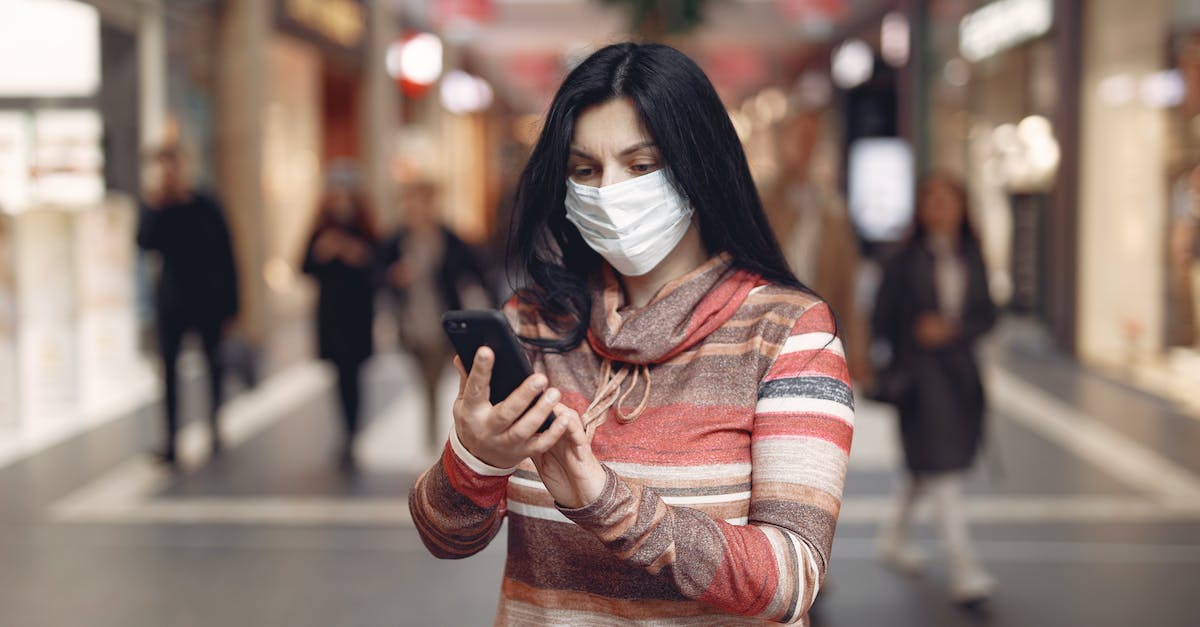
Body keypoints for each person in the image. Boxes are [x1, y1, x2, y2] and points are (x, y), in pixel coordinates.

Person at [408, 42, 854, 625]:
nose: (609, 191)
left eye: (642, 166)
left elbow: (790, 580)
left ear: (699, 166)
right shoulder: (532, 324)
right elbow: (447, 538)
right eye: (585, 170)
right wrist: (475, 458)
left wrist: (605, 502)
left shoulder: (789, 332)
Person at [870, 172, 997, 604]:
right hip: (920, 377)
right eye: (933, 199)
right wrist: (906, 342)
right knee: (943, 473)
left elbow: (988, 315)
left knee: (925, 465)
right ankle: (963, 568)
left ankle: (891, 537)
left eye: (949, 199)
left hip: (960, 375)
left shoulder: (972, 256)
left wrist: (954, 329)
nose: (941, 208)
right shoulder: (904, 259)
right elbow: (881, 318)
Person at [137, 144, 239, 466]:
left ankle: (214, 426)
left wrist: (233, 305)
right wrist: (156, 205)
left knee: (214, 365)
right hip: (173, 302)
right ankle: (171, 440)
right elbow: (143, 242)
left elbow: (227, 254)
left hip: (207, 299)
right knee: (168, 372)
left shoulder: (206, 204)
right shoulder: (158, 208)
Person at [379, 180, 494, 450]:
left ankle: (446, 438)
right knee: (427, 381)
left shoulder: (449, 239)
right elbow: (376, 274)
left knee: (447, 381)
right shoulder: (397, 241)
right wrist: (393, 276)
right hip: (411, 322)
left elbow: (477, 271)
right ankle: (436, 440)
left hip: (444, 322)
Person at [301, 162, 378, 472]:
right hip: (331, 315)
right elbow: (304, 266)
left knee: (354, 375)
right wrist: (322, 252)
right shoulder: (321, 227)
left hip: (357, 314)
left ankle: (352, 433)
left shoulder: (365, 227)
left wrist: (355, 254)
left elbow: (378, 267)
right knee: (340, 376)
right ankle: (346, 433)